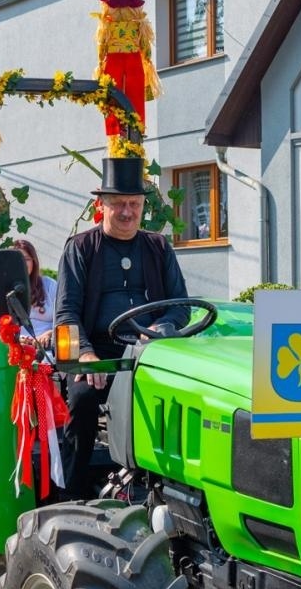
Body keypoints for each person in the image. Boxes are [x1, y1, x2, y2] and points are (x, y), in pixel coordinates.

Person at [54, 158, 189, 498]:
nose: (127, 211)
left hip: (150, 354)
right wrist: (84, 354)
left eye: (134, 204)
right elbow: (66, 313)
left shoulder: (159, 247)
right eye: (118, 204)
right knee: (83, 398)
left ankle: (170, 492)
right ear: (101, 206)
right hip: (99, 354)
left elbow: (181, 306)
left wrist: (162, 325)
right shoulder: (80, 248)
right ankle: (76, 492)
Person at [10, 238, 58, 343]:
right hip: (16, 347)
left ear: (33, 261)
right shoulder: (5, 289)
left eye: (26, 259)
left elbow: (62, 320)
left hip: (47, 349)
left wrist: (50, 333)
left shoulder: (50, 285)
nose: (22, 263)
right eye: (18, 260)